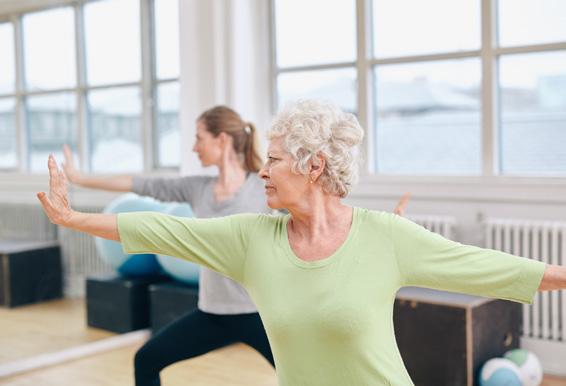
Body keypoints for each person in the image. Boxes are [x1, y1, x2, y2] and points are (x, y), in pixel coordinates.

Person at [38, 99, 564, 386]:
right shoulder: (250, 239)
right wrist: (73, 217)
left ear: (314, 166)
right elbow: (163, 229)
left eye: (275, 161)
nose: (262, 172)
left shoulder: (384, 237)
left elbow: (485, 266)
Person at [63, 106, 275, 386]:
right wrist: (79, 179)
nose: (194, 147)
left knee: (301, 374)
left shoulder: (262, 187)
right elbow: (142, 185)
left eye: (199, 138)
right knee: (146, 359)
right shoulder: (198, 188)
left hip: (258, 313)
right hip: (212, 311)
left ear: (222, 139)